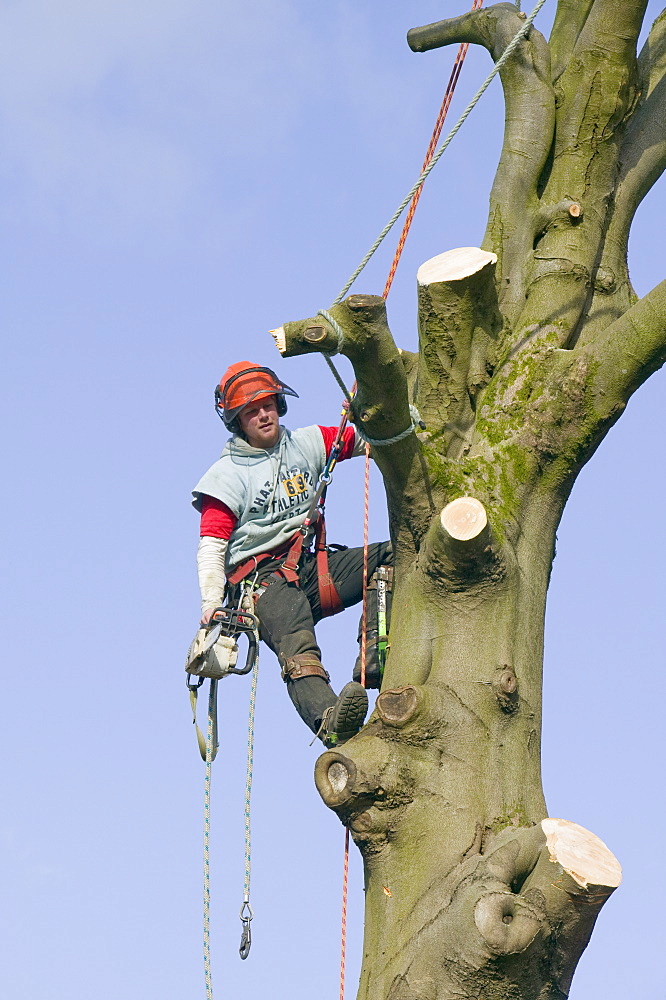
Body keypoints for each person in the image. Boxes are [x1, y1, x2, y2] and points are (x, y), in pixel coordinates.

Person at [192, 361, 392, 747]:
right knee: (298, 645)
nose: (263, 415)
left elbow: (371, 440)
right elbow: (212, 546)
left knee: (391, 557)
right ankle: (330, 720)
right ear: (237, 420)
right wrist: (212, 602)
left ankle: (375, 654)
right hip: (262, 580)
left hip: (311, 568)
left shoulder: (310, 443)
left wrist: (390, 417)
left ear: (279, 405)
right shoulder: (226, 477)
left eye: (267, 404)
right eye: (251, 410)